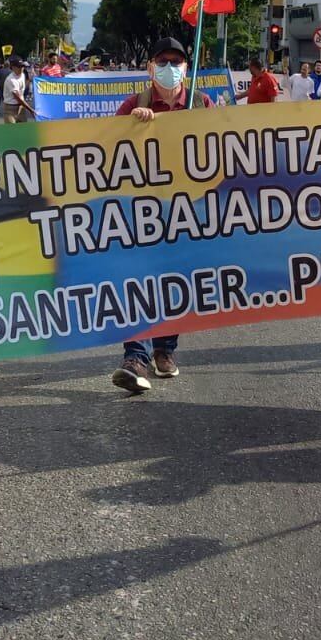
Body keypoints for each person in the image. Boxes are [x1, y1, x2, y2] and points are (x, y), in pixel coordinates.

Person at [111, 37, 213, 393]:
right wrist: (133, 129)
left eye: (177, 60)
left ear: (186, 67)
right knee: (137, 279)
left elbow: (219, 148)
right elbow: (106, 154)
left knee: (175, 282)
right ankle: (134, 357)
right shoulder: (132, 105)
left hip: (187, 210)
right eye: (163, 60)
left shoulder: (201, 104)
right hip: (141, 209)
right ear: (151, 66)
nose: (170, 67)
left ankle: (165, 348)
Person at [3, 57, 33, 124]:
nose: (21, 69)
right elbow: (18, 98)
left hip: (21, 107)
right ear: (13, 67)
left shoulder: (22, 75)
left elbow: (22, 89)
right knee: (12, 131)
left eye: (22, 67)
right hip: (10, 108)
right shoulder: (11, 80)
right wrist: (31, 110)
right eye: (19, 67)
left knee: (23, 130)